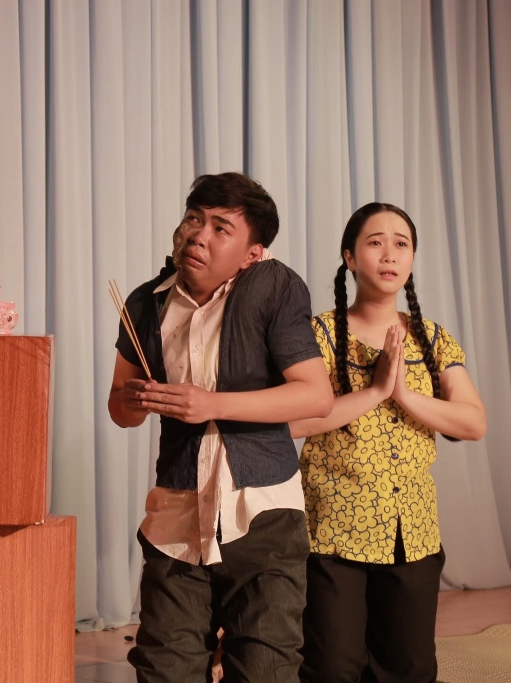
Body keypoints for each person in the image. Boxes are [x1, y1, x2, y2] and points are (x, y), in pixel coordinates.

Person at [108, 172, 333, 683]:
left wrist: (210, 404)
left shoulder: (275, 287)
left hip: (263, 513)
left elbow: (315, 395)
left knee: (265, 669)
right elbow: (120, 410)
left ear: (253, 253)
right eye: (194, 218)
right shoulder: (145, 302)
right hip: (177, 514)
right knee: (164, 667)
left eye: (220, 227)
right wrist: (135, 400)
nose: (198, 235)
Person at [290, 203, 487, 683]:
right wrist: (375, 391)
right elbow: (292, 422)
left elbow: (473, 422)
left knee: (409, 669)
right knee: (332, 668)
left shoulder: (432, 338)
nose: (389, 254)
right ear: (350, 257)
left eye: (401, 244)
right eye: (375, 242)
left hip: (412, 533)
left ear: (412, 258)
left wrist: (405, 395)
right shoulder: (318, 334)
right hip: (333, 530)